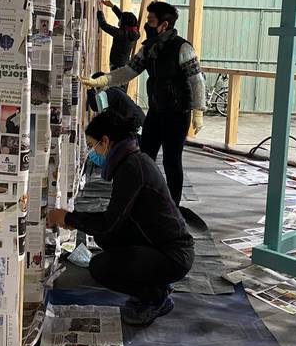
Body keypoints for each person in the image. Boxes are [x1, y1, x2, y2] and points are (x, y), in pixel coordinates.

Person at [47, 111, 194, 326]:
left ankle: (156, 296)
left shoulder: (132, 169)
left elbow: (108, 224)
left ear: (106, 141)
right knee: (104, 238)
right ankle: (155, 281)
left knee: (101, 267)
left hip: (173, 256)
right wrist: (74, 219)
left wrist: (69, 218)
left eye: (93, 145)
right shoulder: (133, 160)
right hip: (159, 243)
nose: (93, 152)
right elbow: (113, 221)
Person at [81, 1, 206, 207]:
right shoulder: (149, 48)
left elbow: (197, 80)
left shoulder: (183, 48)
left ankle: (173, 206)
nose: (147, 24)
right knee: (145, 156)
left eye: (151, 20)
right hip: (156, 111)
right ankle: (143, 199)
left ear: (164, 25)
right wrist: (103, 80)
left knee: (172, 161)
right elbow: (129, 71)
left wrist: (198, 111)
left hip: (177, 113)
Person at [97, 0, 140, 71]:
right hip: (123, 63)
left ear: (124, 24)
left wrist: (99, 11)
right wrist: (112, 6)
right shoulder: (134, 31)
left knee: (115, 78)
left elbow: (104, 25)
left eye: (121, 20)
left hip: (116, 65)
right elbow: (123, 17)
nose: (119, 21)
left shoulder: (121, 34)